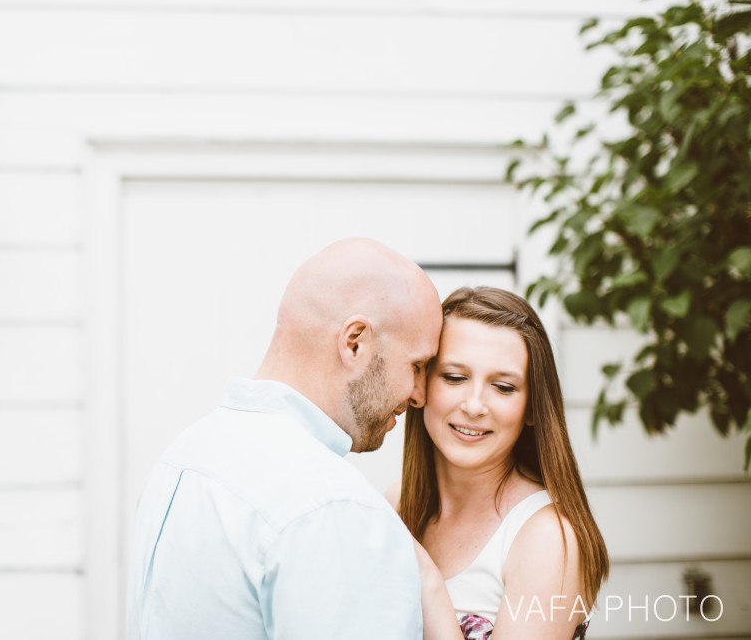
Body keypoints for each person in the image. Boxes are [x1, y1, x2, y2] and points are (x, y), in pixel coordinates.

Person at [126, 238, 444, 640]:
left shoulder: (183, 459)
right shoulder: (335, 508)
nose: (420, 394)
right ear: (355, 343)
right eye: (417, 365)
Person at [388, 287, 610, 640]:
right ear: (420, 384)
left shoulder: (548, 538)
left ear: (533, 408)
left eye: (503, 387)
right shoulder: (394, 507)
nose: (474, 405)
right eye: (455, 377)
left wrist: (428, 583)